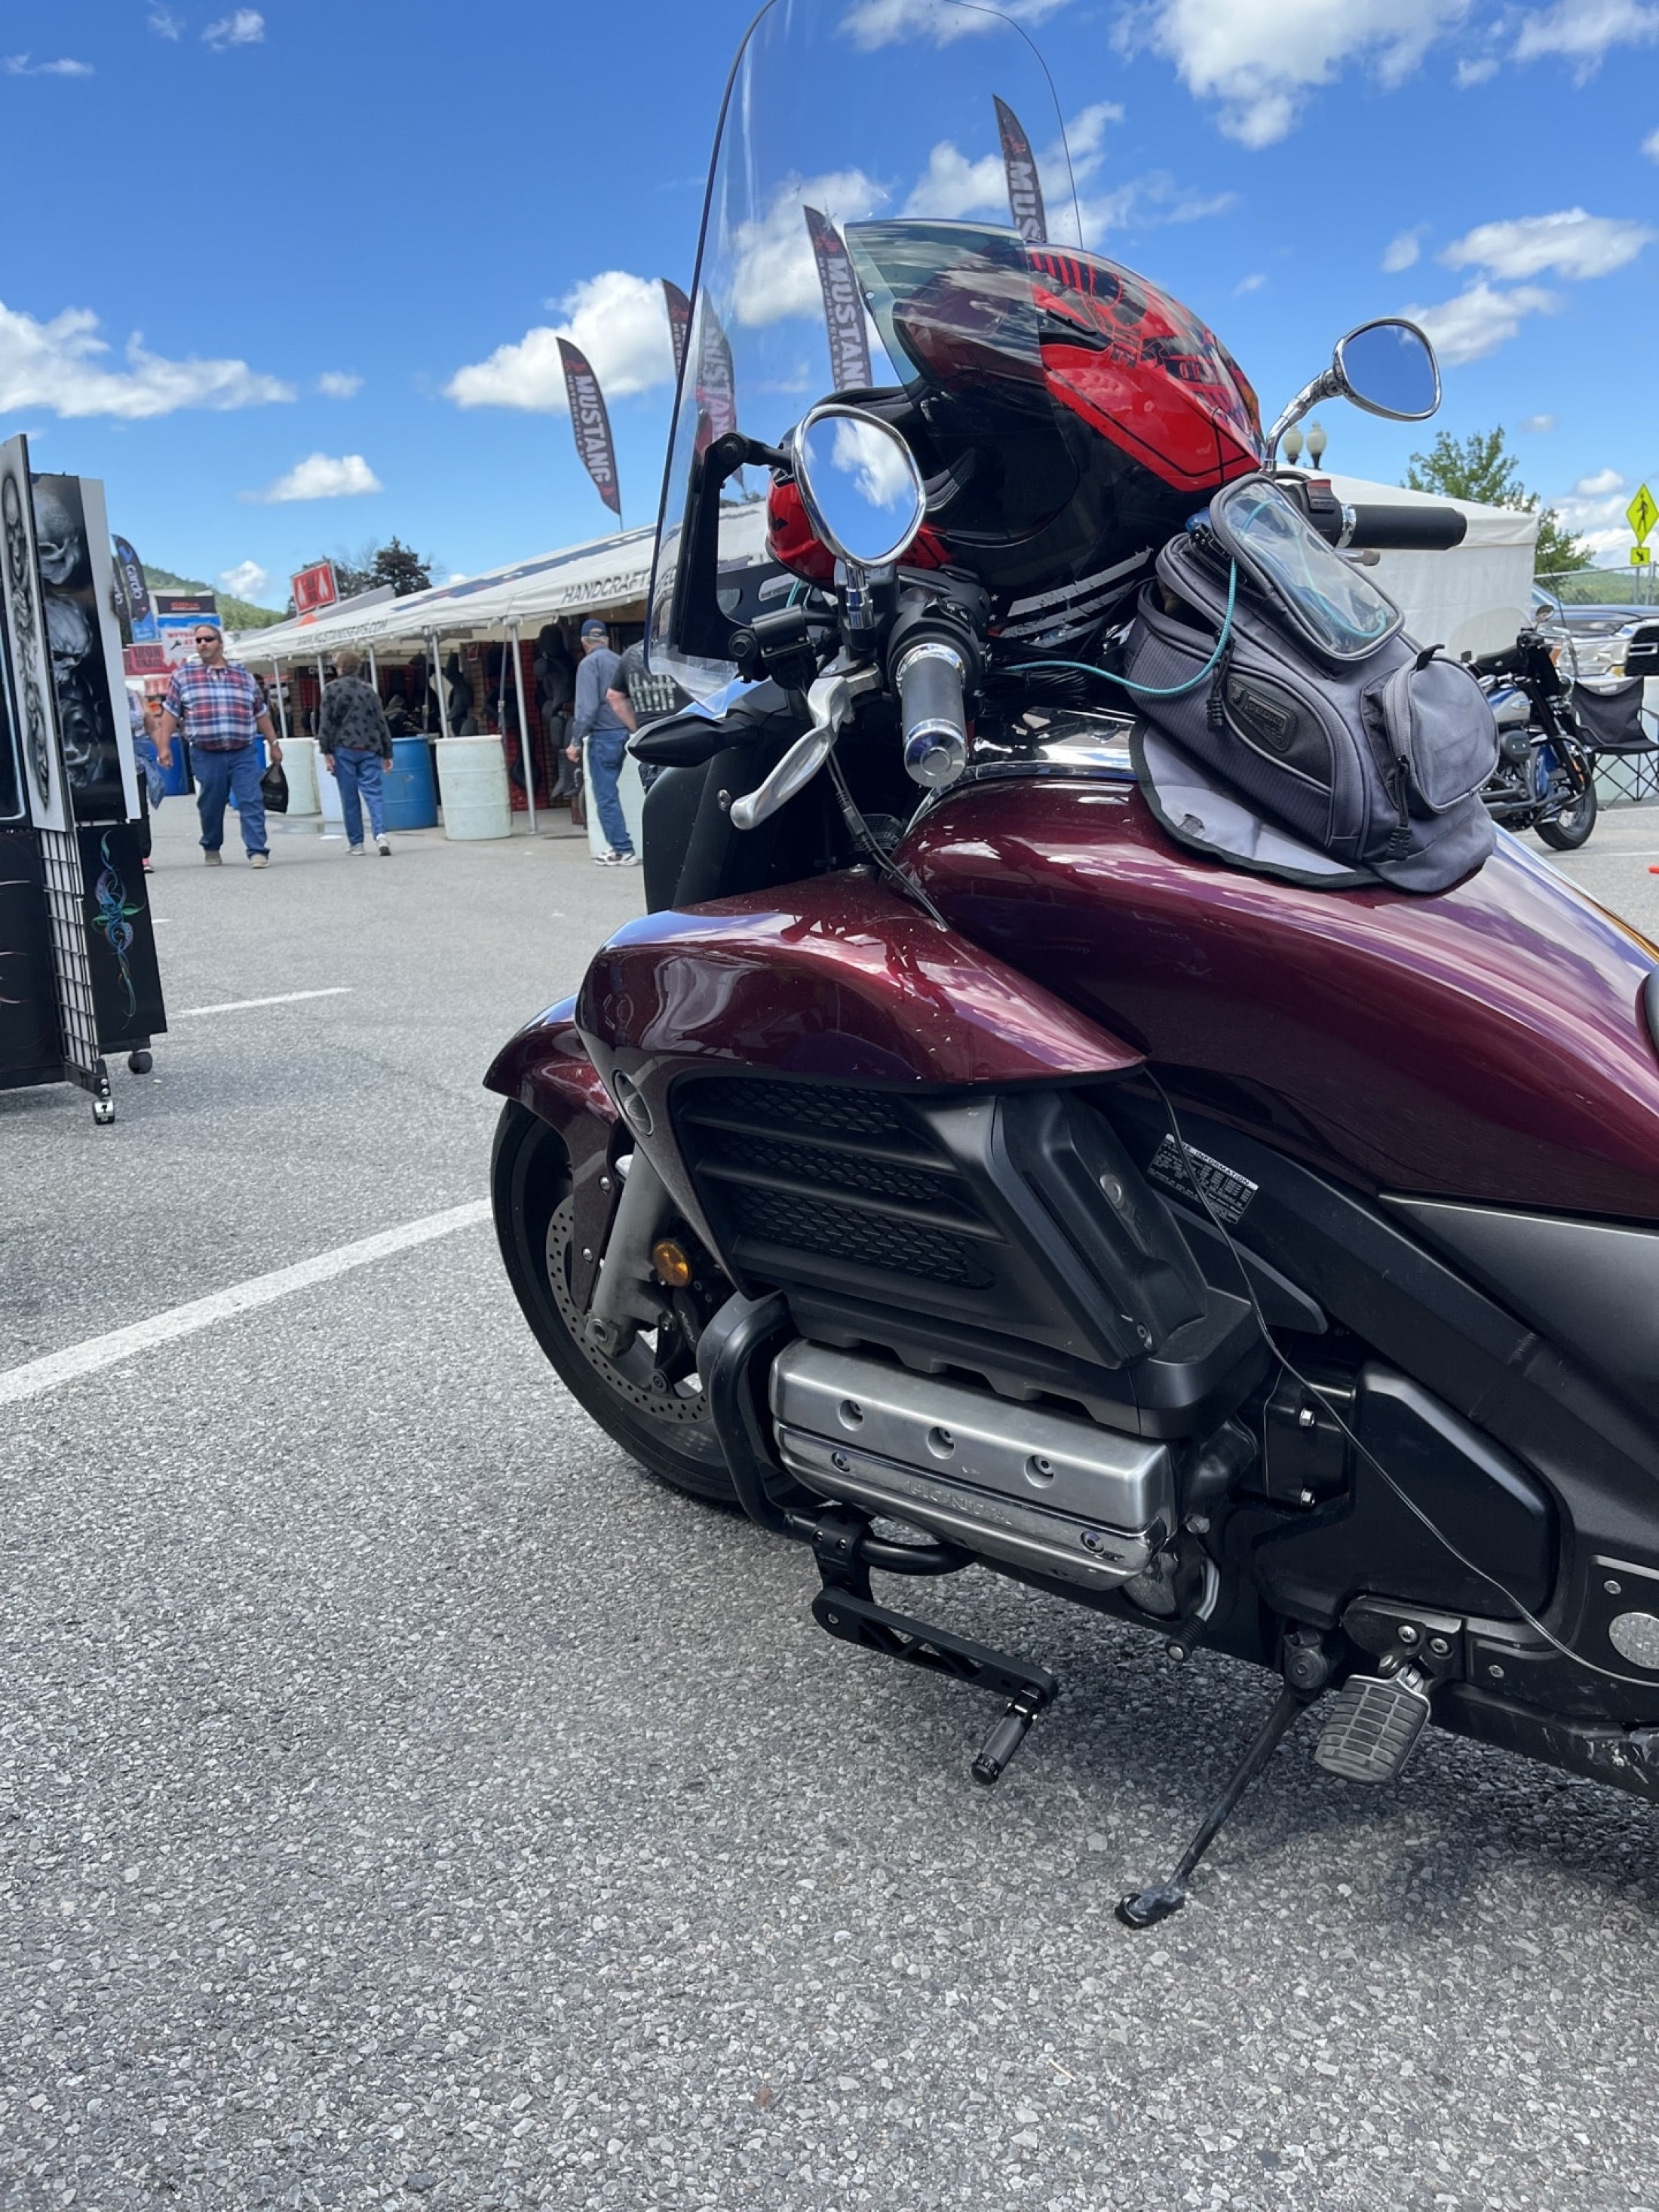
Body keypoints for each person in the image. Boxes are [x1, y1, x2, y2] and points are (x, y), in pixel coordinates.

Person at [155, 625, 283, 868]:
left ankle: (257, 850)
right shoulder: (183, 676)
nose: (202, 643)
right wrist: (164, 747)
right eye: (198, 640)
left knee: (251, 799)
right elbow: (170, 713)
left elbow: (260, 713)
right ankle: (211, 845)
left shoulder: (243, 676)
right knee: (211, 804)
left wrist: (274, 744)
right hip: (206, 753)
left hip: (243, 751)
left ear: (220, 643)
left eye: (208, 639)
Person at [567, 618, 636, 866]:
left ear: (584, 642)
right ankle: (622, 846)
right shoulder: (620, 660)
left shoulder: (588, 665)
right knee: (614, 793)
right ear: (605, 639)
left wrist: (575, 741)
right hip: (623, 732)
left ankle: (621, 849)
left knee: (605, 796)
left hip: (603, 735)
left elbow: (587, 708)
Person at [318, 648, 394, 857]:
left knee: (349, 796)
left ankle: (357, 843)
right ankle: (380, 835)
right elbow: (381, 721)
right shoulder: (369, 690)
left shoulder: (331, 689)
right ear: (358, 668)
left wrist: (326, 751)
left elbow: (325, 723)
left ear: (340, 668)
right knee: (373, 793)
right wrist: (388, 753)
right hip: (370, 746)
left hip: (343, 747)